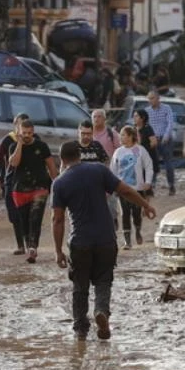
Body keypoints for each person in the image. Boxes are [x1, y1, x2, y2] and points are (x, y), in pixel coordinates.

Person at [51, 142, 155, 341]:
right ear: (79, 155)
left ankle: (81, 330)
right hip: (106, 239)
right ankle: (101, 312)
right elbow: (125, 191)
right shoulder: (99, 170)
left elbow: (57, 219)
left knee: (80, 286)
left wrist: (58, 251)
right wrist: (145, 205)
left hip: (80, 242)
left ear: (62, 160)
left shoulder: (60, 182)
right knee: (103, 281)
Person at [8, 119, 58, 264]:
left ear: (33, 131)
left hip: (40, 187)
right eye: (24, 133)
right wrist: (19, 144)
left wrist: (57, 184)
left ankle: (32, 248)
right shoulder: (13, 146)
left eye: (30, 133)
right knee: (24, 221)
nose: (27, 135)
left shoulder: (42, 146)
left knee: (35, 218)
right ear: (19, 132)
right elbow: (14, 163)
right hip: (20, 189)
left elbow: (51, 166)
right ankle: (29, 244)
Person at [0, 113, 31, 254]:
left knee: (27, 214)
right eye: (19, 125)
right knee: (14, 215)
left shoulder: (34, 140)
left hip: (28, 182)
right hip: (11, 181)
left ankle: (28, 244)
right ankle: (20, 244)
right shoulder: (8, 140)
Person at [109, 126, 154, 249]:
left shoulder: (140, 150)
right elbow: (113, 170)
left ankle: (138, 231)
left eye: (123, 135)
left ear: (130, 136)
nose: (121, 137)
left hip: (137, 188)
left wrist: (148, 182)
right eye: (121, 135)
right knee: (124, 213)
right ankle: (127, 240)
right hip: (122, 189)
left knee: (136, 212)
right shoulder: (118, 152)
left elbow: (149, 166)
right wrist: (112, 186)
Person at [145, 91, 176, 196]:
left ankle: (171, 185)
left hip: (165, 139)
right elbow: (146, 126)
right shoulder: (147, 111)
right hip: (153, 139)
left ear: (158, 98)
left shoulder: (166, 108)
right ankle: (151, 186)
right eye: (149, 99)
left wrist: (166, 136)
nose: (151, 101)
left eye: (152, 98)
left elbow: (170, 123)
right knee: (152, 163)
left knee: (168, 164)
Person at [133, 109, 159, 187]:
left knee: (148, 185)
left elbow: (154, 143)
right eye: (134, 116)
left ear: (142, 118)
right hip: (137, 161)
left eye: (136, 116)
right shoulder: (133, 129)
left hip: (149, 160)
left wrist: (144, 149)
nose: (134, 118)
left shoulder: (147, 128)